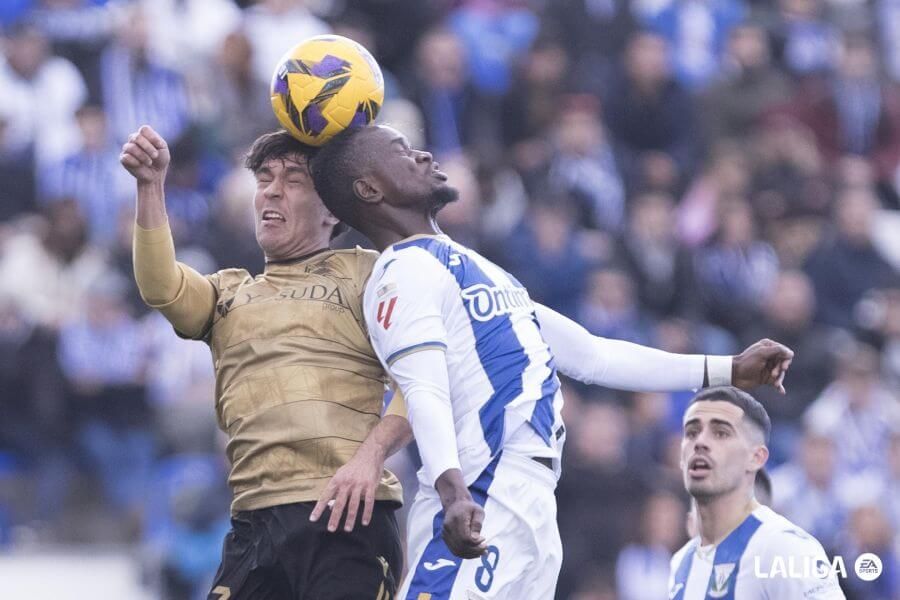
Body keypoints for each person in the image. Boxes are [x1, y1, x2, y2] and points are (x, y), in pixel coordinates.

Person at [308, 124, 794, 599]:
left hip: (533, 504)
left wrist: (729, 369)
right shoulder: (400, 273)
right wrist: (452, 490)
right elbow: (423, 389)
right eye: (401, 152)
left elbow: (593, 355)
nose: (423, 155)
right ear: (369, 188)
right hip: (481, 491)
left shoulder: (472, 266)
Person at [120, 125, 411, 599]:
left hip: (350, 517)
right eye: (264, 179)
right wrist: (150, 187)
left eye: (294, 180)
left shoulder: (370, 273)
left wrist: (371, 457)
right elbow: (161, 287)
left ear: (333, 208)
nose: (272, 191)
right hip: (255, 523)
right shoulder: (227, 294)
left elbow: (422, 378)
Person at [670, 386, 845, 599]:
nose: (700, 443)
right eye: (692, 432)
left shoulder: (785, 547)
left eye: (721, 433)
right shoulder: (681, 562)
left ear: (756, 458)